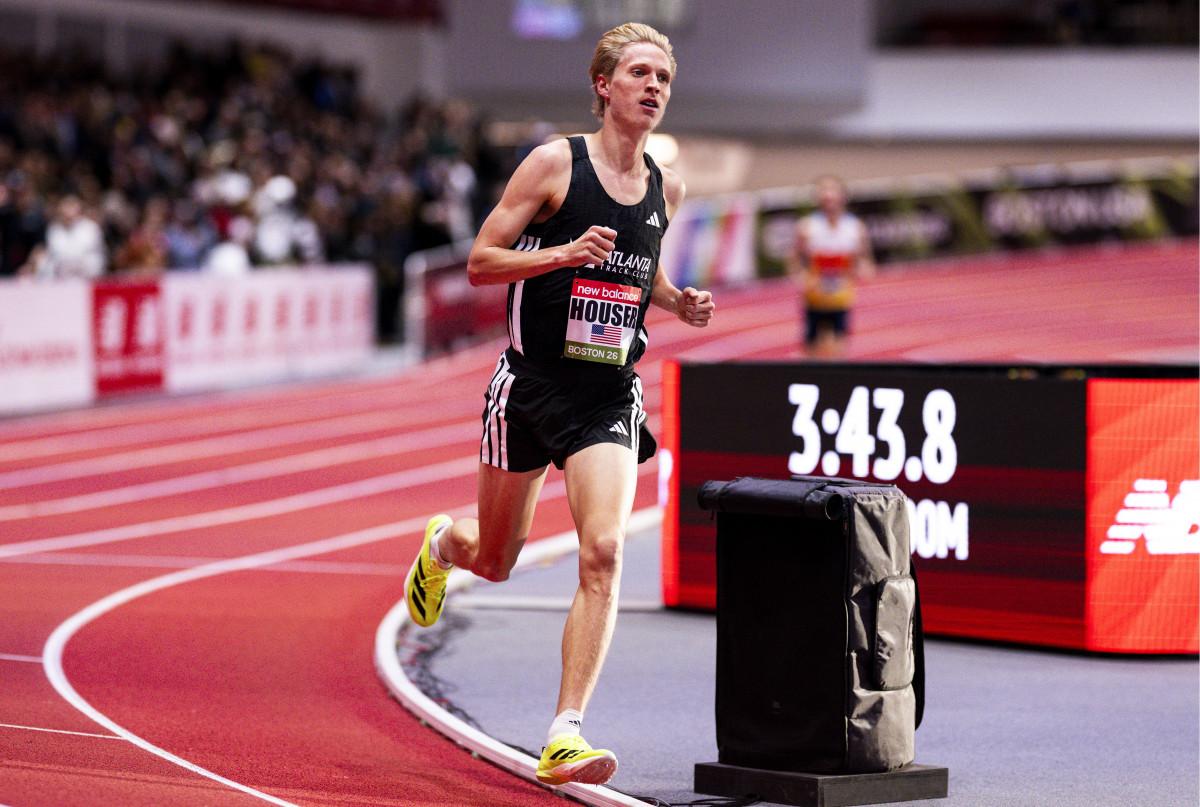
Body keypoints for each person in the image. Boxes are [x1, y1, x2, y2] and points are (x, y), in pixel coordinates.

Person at [403, 22, 713, 788]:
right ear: (604, 84)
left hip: (606, 394)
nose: (654, 87)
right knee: (495, 559)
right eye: (639, 73)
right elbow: (480, 262)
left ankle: (564, 732)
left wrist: (677, 300)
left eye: (664, 78)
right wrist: (563, 255)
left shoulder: (667, 186)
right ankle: (444, 545)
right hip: (529, 387)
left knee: (602, 550)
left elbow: (640, 270)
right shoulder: (554, 164)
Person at [788, 175, 874, 358]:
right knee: (811, 353)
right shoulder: (806, 227)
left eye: (832, 190)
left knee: (839, 353)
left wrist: (864, 269)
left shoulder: (855, 228)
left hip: (840, 299)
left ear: (842, 196)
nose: (828, 195)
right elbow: (794, 259)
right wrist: (799, 277)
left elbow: (865, 261)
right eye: (823, 191)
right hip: (814, 299)